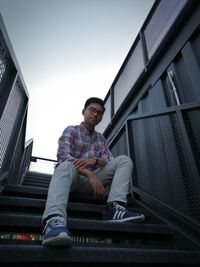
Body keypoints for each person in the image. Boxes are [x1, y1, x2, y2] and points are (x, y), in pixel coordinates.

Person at [42, 97, 145, 247]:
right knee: (65, 166)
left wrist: (95, 161)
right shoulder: (71, 130)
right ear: (83, 111)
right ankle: (53, 220)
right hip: (71, 180)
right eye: (92, 110)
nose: (95, 114)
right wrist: (90, 174)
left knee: (124, 160)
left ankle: (114, 208)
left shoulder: (101, 139)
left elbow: (110, 160)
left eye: (100, 113)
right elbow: (63, 156)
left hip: (89, 184)